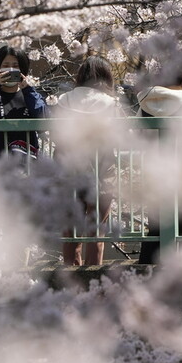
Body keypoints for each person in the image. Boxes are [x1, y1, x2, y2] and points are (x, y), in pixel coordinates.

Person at [53, 56, 122, 268]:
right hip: (103, 171)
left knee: (70, 229)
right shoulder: (112, 104)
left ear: (80, 76)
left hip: (69, 170)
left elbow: (57, 134)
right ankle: (94, 275)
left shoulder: (64, 100)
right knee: (96, 230)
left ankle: (71, 277)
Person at [136, 71, 182, 265]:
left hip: (154, 172)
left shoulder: (145, 101)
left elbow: (138, 137)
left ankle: (148, 267)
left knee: (156, 223)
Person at [0, 45, 46, 158]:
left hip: (25, 167)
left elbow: (44, 118)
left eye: (16, 66)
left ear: (23, 70)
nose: (10, 70)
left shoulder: (29, 96)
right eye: (5, 66)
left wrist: (28, 90)